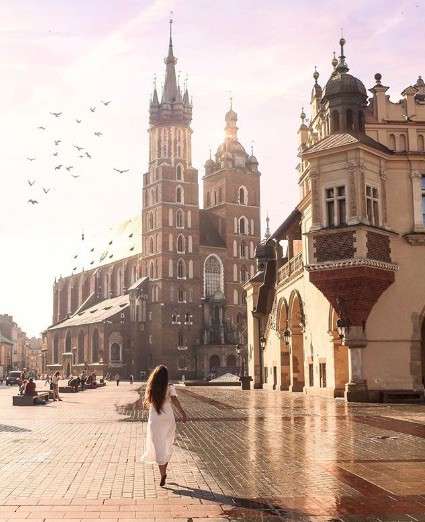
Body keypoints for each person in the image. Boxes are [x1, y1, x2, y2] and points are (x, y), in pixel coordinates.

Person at [141, 365, 187, 487]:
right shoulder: (170, 386)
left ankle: (162, 473)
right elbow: (174, 399)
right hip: (168, 418)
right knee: (168, 444)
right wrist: (182, 412)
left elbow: (148, 401)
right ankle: (164, 471)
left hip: (155, 419)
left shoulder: (151, 387)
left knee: (158, 445)